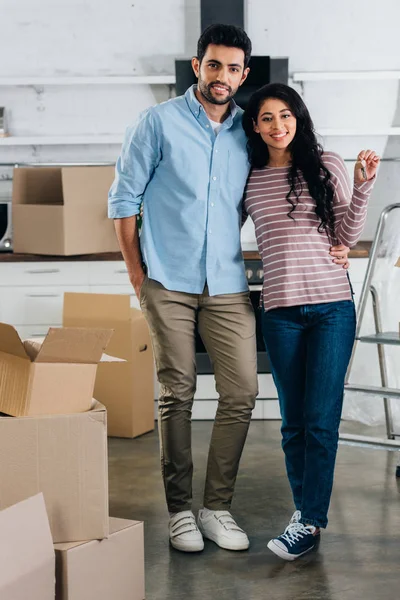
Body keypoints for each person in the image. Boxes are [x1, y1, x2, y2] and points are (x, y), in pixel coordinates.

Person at [109, 24, 350, 554]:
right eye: (213, 65)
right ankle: (180, 512)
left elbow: (289, 191)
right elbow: (124, 200)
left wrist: (334, 240)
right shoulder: (157, 123)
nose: (223, 76)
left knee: (240, 391)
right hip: (167, 279)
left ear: (245, 74)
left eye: (233, 68)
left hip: (226, 282)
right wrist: (136, 273)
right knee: (178, 391)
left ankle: (216, 506)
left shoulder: (252, 130)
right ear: (198, 66)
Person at [242, 83, 379, 561]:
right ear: (255, 126)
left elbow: (345, 233)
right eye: (267, 118)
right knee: (293, 423)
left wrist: (362, 187)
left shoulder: (328, 164)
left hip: (329, 310)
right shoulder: (250, 176)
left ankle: (308, 521)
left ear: (298, 119)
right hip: (279, 312)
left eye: (286, 115)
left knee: (320, 421)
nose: (278, 125)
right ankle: (305, 514)